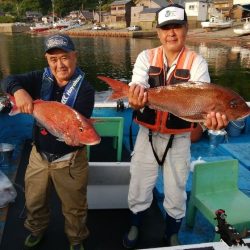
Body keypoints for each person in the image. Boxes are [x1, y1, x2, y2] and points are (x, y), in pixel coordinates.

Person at [123, 4, 229, 249]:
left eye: (176, 27)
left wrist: (211, 120)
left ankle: (172, 233)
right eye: (166, 28)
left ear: (186, 29)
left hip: (179, 138)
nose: (171, 33)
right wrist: (135, 95)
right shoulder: (145, 57)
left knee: (177, 189)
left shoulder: (197, 62)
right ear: (159, 33)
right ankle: (134, 224)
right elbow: (137, 83)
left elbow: (203, 101)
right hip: (146, 134)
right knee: (139, 183)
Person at [1, 34, 95, 250]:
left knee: (75, 207)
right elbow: (7, 80)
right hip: (39, 156)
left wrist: (74, 138)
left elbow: (78, 125)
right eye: (53, 60)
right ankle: (36, 230)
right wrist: (19, 91)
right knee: (34, 201)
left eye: (64, 58)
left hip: (70, 160)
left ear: (75, 57)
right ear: (47, 60)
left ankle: (76, 238)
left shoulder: (85, 90)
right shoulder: (39, 78)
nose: (59, 64)